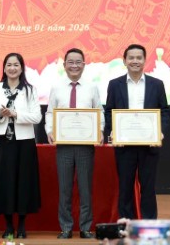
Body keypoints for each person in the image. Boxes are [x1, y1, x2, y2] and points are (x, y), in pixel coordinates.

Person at [105, 44, 170, 219]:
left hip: (149, 145)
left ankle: (148, 225)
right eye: (131, 58)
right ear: (124, 61)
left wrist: (160, 131)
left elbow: (164, 111)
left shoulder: (157, 84)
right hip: (124, 145)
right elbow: (109, 111)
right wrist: (113, 131)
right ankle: (126, 224)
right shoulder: (114, 84)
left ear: (144, 60)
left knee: (148, 188)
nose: (135, 61)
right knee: (125, 187)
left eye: (139, 58)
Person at [45, 48, 105, 239]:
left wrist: (100, 130)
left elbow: (99, 111)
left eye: (78, 62)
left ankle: (85, 228)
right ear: (64, 65)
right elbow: (50, 112)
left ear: (84, 65)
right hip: (63, 145)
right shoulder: (57, 87)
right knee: (65, 189)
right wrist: (49, 130)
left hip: (85, 145)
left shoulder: (92, 87)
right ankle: (66, 227)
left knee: (85, 189)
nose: (74, 65)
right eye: (70, 62)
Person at [0, 53, 42, 239]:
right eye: (9, 65)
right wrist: (0, 114)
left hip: (25, 143)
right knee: (4, 182)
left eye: (16, 65)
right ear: (4, 68)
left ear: (22, 68)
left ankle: (21, 225)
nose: (12, 68)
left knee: (24, 182)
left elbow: (37, 117)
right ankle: (8, 225)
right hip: (4, 142)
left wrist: (16, 114)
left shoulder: (30, 90)